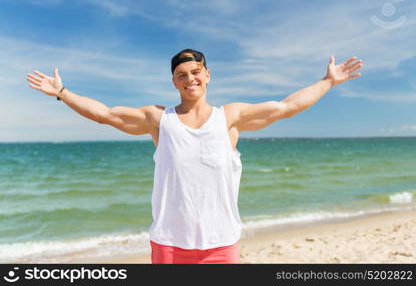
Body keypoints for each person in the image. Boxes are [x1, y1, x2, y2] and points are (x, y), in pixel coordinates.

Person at [26, 48, 363, 264]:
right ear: (174, 81)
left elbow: (286, 107)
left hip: (221, 244)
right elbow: (106, 114)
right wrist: (62, 93)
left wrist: (327, 82)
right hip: (169, 245)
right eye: (182, 74)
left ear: (208, 75)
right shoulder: (159, 120)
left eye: (196, 71)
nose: (190, 78)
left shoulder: (230, 117)